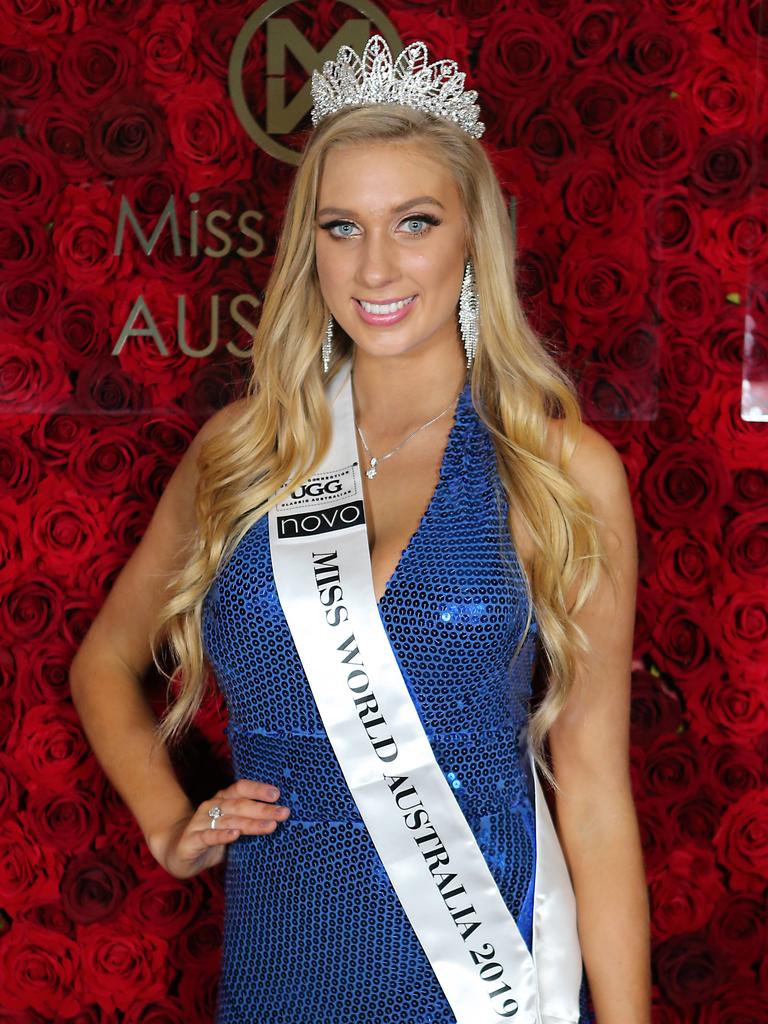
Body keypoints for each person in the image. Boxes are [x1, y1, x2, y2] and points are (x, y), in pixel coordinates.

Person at [70, 34, 650, 1024]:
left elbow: (594, 789)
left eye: (413, 222)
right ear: (311, 248)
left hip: (489, 979)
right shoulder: (244, 453)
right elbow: (105, 661)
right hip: (279, 973)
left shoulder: (555, 469)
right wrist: (170, 823)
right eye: (342, 228)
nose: (375, 266)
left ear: (473, 236)